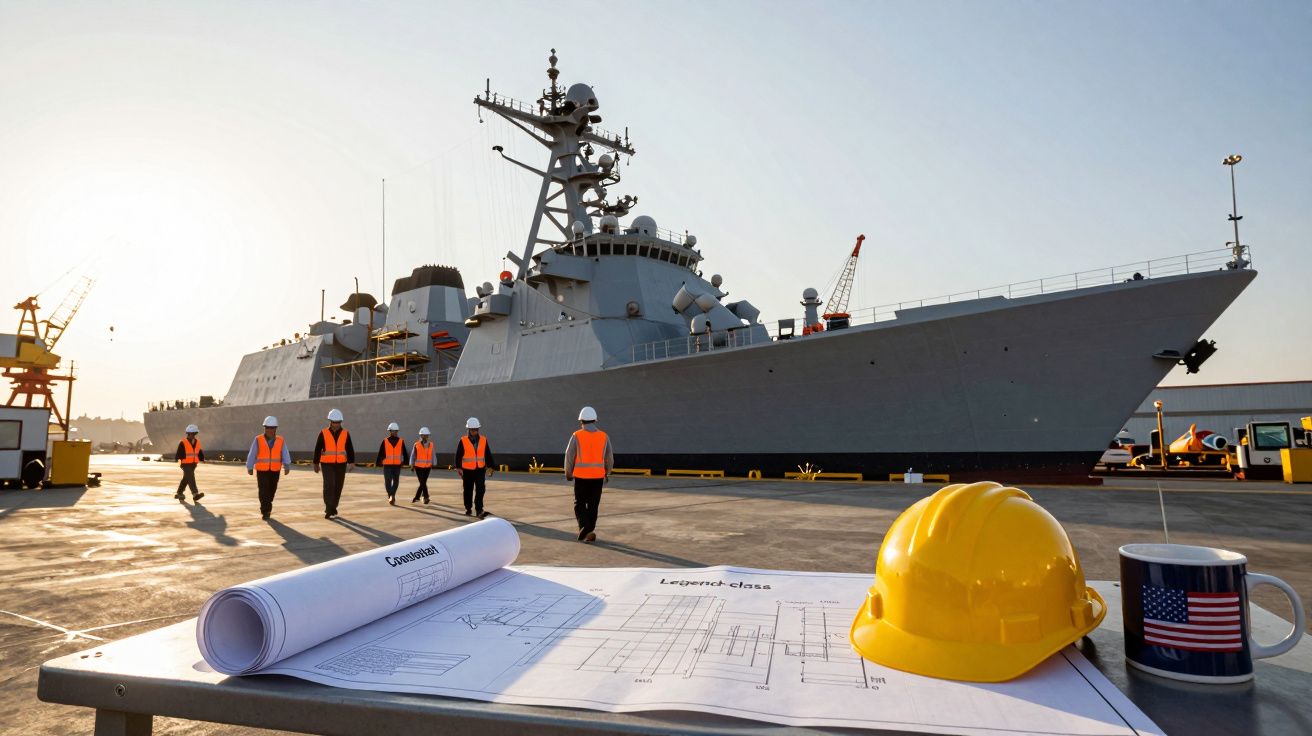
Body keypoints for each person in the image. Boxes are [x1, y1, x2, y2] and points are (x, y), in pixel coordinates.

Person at [564, 406, 613, 543]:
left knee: (579, 504)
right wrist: (607, 472)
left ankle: (584, 528)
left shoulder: (576, 435)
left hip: (581, 477)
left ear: (581, 421)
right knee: (593, 504)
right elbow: (609, 457)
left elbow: (569, 455)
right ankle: (589, 530)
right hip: (597, 477)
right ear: (595, 420)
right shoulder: (604, 436)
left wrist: (568, 473)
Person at [246, 415, 291, 520]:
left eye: (272, 428)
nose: (270, 430)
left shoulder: (280, 440)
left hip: (275, 470)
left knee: (272, 490)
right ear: (265, 428)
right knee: (263, 490)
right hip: (262, 470)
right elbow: (252, 453)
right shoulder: (258, 439)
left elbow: (284, 452)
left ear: (276, 428)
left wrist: (287, 464)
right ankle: (265, 510)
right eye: (268, 428)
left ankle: (268, 505)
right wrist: (249, 466)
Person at [313, 408, 355, 518]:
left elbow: (350, 448)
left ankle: (333, 507)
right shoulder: (323, 433)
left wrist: (351, 462)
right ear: (330, 421)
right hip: (327, 464)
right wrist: (316, 463)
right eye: (334, 422)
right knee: (329, 485)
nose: (336, 424)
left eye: (338, 422)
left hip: (341, 464)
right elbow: (318, 448)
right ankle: (328, 508)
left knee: (338, 486)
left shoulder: (346, 433)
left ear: (341, 422)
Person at [455, 417, 495, 518]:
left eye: (476, 429)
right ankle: (468, 507)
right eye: (473, 430)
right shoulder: (463, 440)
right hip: (467, 470)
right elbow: (458, 455)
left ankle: (479, 509)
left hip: (480, 469)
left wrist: (491, 466)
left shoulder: (483, 440)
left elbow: (487, 453)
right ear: (468, 430)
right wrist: (459, 467)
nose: (475, 432)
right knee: (468, 489)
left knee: (481, 489)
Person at [376, 422, 409, 505]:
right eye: (392, 431)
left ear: (397, 431)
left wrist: (406, 462)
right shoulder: (385, 441)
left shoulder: (401, 441)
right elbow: (381, 452)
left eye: (395, 431)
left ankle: (392, 495)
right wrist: (378, 462)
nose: (394, 432)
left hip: (397, 465)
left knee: (396, 481)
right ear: (389, 431)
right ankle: (390, 496)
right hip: (387, 465)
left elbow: (404, 452)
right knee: (387, 481)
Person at [174, 424, 205, 502]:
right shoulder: (183, 442)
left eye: (194, 433)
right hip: (185, 464)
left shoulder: (197, 442)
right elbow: (179, 451)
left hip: (193, 464)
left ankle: (179, 493)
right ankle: (195, 494)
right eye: (191, 434)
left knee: (186, 478)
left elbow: (199, 451)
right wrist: (177, 458)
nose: (193, 435)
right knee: (191, 477)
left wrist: (202, 458)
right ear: (188, 434)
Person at [411, 427, 435, 504]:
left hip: (427, 467)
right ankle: (426, 497)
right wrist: (412, 465)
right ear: (421, 436)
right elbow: (413, 456)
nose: (425, 437)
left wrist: (434, 463)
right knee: (423, 482)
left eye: (427, 435)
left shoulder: (431, 444)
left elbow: (433, 454)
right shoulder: (416, 444)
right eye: (424, 435)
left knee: (423, 482)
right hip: (418, 467)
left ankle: (417, 497)